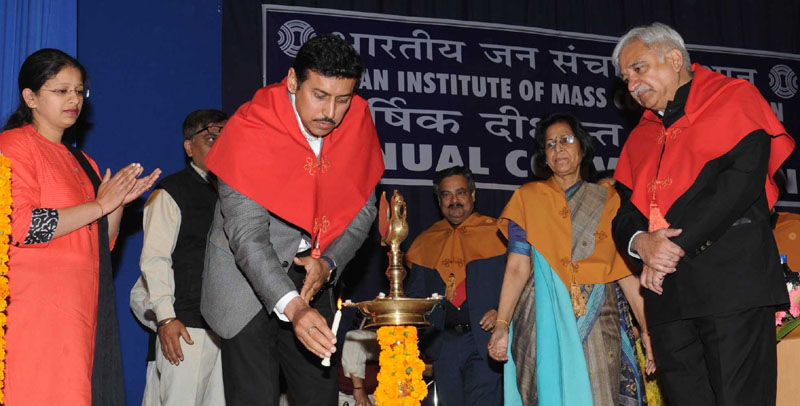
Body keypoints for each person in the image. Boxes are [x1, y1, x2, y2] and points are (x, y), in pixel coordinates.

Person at [611, 22, 794, 405]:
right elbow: (623, 214)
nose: (631, 84)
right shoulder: (641, 136)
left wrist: (668, 251)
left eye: (638, 69)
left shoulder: (734, 99)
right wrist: (641, 242)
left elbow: (739, 185)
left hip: (731, 288)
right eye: (626, 77)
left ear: (674, 59)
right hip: (667, 302)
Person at [200, 34, 384, 406]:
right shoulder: (249, 130)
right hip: (246, 285)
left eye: (343, 99)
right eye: (319, 95)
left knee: (319, 397)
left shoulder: (357, 121)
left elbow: (364, 208)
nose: (330, 112)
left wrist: (329, 262)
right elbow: (247, 235)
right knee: (255, 398)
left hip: (315, 279)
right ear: (292, 81)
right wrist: (294, 307)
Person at [0, 48, 160, 405]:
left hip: (80, 311)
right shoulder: (13, 145)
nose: (74, 99)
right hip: (35, 309)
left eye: (79, 91)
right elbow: (23, 226)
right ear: (31, 97)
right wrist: (100, 204)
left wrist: (116, 205)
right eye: (61, 91)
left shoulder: (82, 160)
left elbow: (99, 244)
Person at [487, 113, 654, 405]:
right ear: (545, 158)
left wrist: (648, 331)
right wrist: (502, 324)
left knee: (601, 395)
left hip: (600, 316)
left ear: (582, 148)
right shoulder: (527, 198)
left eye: (566, 140)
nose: (558, 148)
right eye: (550, 144)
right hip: (539, 316)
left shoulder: (609, 201)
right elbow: (517, 265)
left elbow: (627, 273)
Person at [130, 109, 228, 405]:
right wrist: (166, 319)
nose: (221, 146)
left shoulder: (235, 195)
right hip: (184, 328)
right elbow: (155, 259)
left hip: (227, 331)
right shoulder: (171, 192)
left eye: (228, 139)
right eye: (212, 138)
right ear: (189, 146)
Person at [404, 165, 506, 406]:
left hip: (485, 339)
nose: (454, 201)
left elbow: (521, 283)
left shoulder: (499, 234)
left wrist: (503, 312)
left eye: (460, 193)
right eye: (446, 195)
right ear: (439, 200)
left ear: (473, 195)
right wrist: (417, 350)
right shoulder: (424, 242)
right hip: (443, 344)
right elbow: (416, 297)